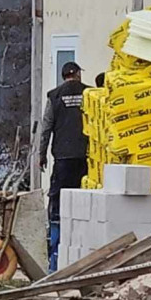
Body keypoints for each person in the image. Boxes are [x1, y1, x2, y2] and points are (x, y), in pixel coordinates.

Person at [39, 61, 89, 223]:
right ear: (78, 75)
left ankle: (55, 232)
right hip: (85, 155)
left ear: (63, 76)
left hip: (62, 156)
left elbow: (46, 128)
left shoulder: (54, 96)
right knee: (84, 195)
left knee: (58, 196)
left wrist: (42, 155)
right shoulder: (89, 93)